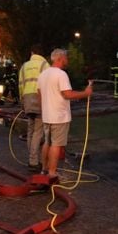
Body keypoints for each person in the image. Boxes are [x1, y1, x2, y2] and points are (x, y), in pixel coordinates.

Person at [37, 48, 93, 177]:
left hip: (47, 116)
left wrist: (44, 110)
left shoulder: (43, 74)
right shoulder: (61, 74)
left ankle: (44, 169)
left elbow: (39, 95)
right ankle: (52, 173)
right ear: (60, 59)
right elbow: (67, 94)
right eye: (66, 58)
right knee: (56, 145)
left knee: (47, 142)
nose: (67, 60)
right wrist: (86, 93)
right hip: (59, 116)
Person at [18, 45, 49, 172]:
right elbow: (47, 84)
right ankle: (34, 161)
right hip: (39, 97)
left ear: (32, 53)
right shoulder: (44, 65)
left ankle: (32, 158)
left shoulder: (24, 66)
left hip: (26, 98)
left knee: (31, 130)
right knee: (38, 131)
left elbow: (20, 84)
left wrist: (22, 100)